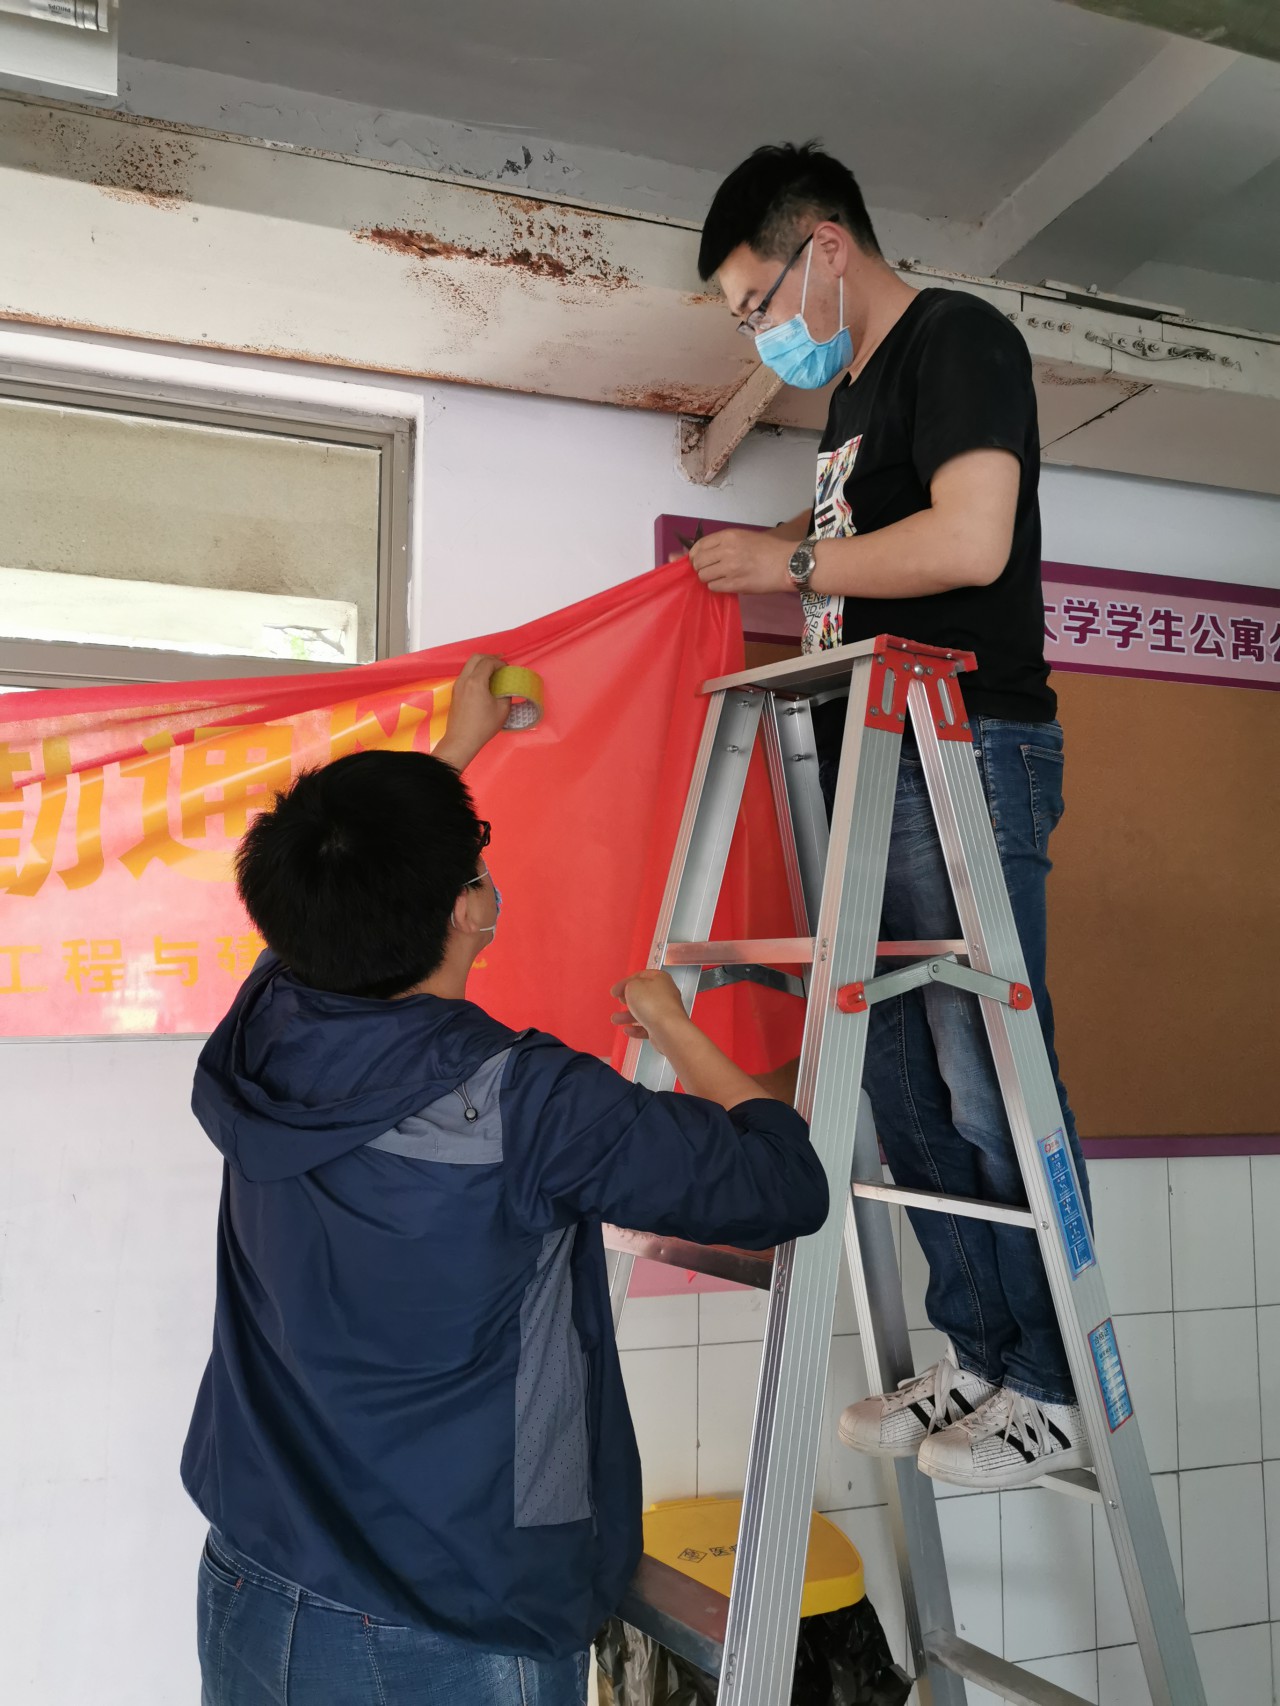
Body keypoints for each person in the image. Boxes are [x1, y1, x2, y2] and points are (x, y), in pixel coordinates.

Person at [180, 653, 829, 1706]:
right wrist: (673, 1024)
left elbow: (342, 898)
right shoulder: (528, 1100)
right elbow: (781, 1185)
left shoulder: (269, 1019)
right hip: (445, 1621)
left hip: (253, 1576)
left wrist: (456, 748)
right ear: (466, 912)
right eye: (475, 873)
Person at [690, 143, 1091, 1490]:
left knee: (984, 1073)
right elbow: (865, 567)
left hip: (967, 742)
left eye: (757, 304)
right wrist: (791, 576)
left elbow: (972, 542)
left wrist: (792, 558)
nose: (761, 335)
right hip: (876, 749)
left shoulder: (956, 339)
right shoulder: (851, 395)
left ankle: (1054, 1383)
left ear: (825, 247)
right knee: (904, 1081)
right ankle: (979, 1353)